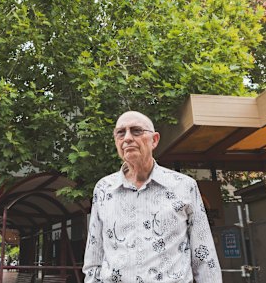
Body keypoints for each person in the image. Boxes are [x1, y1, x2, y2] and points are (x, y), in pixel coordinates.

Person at [82, 111, 222, 283]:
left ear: (154, 140)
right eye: (120, 132)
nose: (127, 138)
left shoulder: (184, 186)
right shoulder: (103, 189)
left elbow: (204, 255)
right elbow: (93, 257)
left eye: (136, 131)